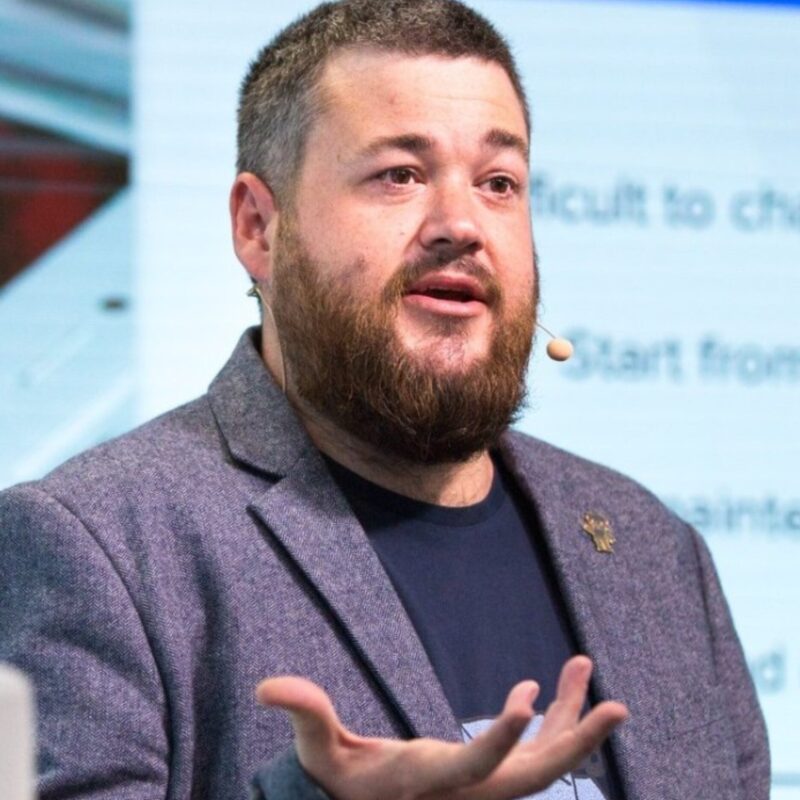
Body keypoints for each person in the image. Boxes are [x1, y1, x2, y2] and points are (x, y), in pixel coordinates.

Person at [0, 1, 769, 799]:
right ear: (259, 227)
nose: (461, 224)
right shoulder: (98, 547)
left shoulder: (654, 552)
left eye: (499, 183)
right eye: (399, 175)